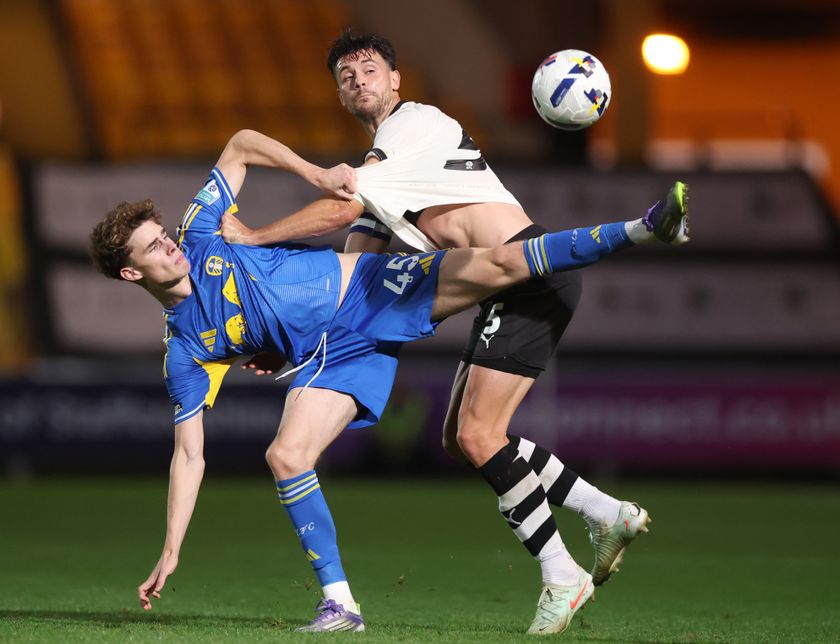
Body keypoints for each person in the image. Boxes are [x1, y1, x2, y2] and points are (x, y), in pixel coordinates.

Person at [89, 128, 688, 635]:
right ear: (129, 271)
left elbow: (241, 144)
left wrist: (316, 173)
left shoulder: (198, 228)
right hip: (338, 354)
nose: (170, 246)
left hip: (371, 287)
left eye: (163, 235)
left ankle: (643, 228)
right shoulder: (185, 351)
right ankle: (341, 605)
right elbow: (188, 455)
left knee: (501, 264)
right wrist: (170, 549)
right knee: (287, 455)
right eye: (154, 248)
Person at [219, 31, 687, 634]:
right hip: (505, 285)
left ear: (396, 80)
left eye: (369, 68)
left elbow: (340, 206)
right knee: (460, 436)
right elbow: (354, 267)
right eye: (345, 74)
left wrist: (254, 236)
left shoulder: (414, 126)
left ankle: (560, 574)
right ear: (339, 94)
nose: (357, 78)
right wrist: (289, 342)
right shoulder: (385, 173)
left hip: (527, 274)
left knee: (478, 435)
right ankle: (606, 512)